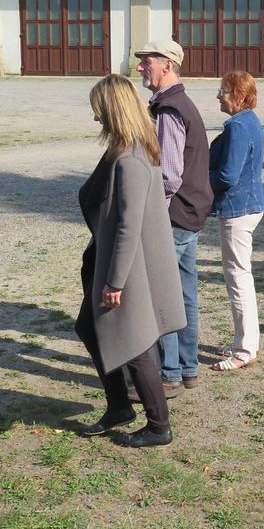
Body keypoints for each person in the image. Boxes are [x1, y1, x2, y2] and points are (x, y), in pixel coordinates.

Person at [75, 74, 185, 446]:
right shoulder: (125, 150)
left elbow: (129, 225)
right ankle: (120, 406)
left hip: (127, 269)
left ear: (113, 110)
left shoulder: (131, 159)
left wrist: (115, 281)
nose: (95, 117)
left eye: (98, 110)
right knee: (89, 327)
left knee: (134, 345)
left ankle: (159, 426)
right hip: (113, 261)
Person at [134, 41, 212, 396]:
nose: (140, 67)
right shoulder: (178, 103)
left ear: (167, 65)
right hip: (189, 211)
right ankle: (187, 366)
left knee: (162, 296)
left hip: (174, 214)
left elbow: (168, 175)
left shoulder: (169, 109)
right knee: (183, 294)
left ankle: (170, 374)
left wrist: (152, 214)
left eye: (146, 61)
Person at [209, 71, 264, 370]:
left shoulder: (239, 126)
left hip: (238, 209)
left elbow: (227, 176)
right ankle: (245, 342)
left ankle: (245, 350)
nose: (219, 96)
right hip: (247, 205)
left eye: (224, 91)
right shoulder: (248, 121)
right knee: (241, 276)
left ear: (240, 97)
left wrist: (195, 181)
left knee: (238, 278)